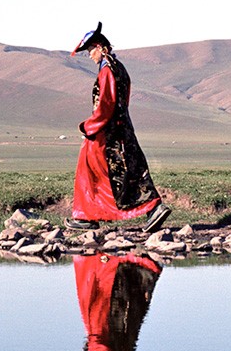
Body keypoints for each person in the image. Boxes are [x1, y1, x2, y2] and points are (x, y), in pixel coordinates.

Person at [66, 23, 172, 233]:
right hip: (123, 129)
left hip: (106, 133)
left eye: (90, 50)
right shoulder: (119, 67)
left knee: (90, 171)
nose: (89, 55)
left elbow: (105, 105)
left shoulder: (106, 71)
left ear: (99, 46)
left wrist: (88, 126)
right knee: (132, 170)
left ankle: (87, 216)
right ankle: (153, 208)